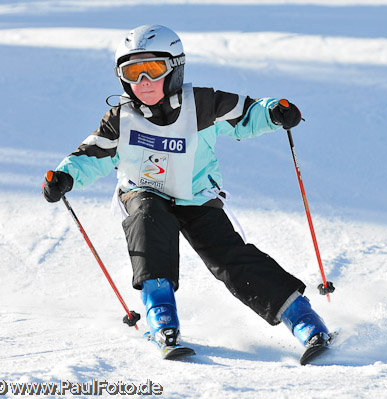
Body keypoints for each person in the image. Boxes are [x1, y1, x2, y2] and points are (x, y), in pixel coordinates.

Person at [42, 24, 331, 364]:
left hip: (196, 195)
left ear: (176, 68)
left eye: (154, 69)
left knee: (228, 257)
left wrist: (273, 112)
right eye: (133, 72)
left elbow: (246, 114)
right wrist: (64, 176)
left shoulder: (203, 104)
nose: (144, 81)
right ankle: (162, 319)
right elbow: (92, 153)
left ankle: (303, 319)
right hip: (144, 191)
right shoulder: (122, 118)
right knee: (149, 223)